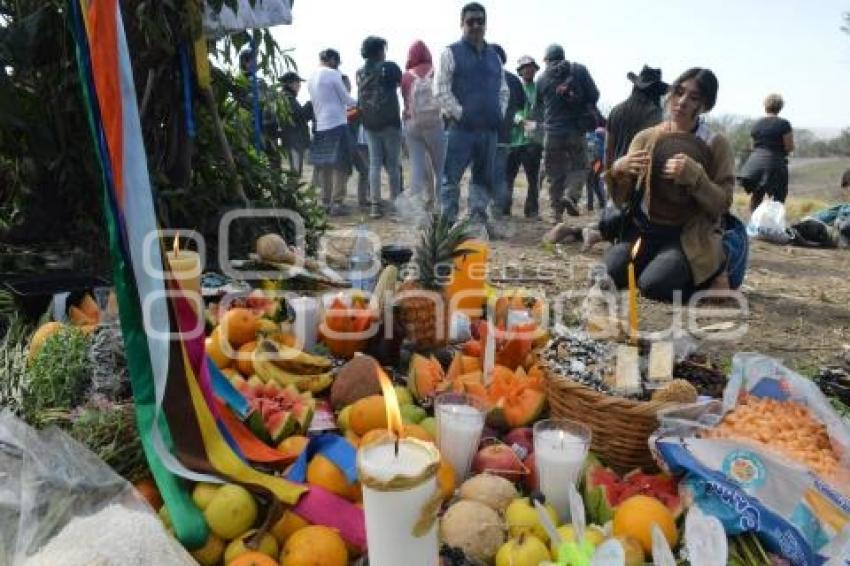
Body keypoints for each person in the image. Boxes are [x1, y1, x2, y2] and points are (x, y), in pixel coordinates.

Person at [603, 68, 736, 302]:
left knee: (654, 286)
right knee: (611, 272)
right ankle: (655, 266)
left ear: (705, 105)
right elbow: (621, 200)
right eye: (679, 92)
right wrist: (618, 170)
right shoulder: (645, 138)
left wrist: (697, 179)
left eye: (693, 97)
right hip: (643, 230)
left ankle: (714, 277)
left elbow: (722, 203)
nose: (682, 102)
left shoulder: (715, 144)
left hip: (687, 237)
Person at [434, 2, 509, 234]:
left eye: (480, 21)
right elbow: (441, 90)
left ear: (486, 24)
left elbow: (503, 90)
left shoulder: (494, 56)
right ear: (462, 24)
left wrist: (497, 114)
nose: (476, 25)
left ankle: (476, 220)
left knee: (482, 178)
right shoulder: (450, 52)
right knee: (451, 178)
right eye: (471, 21)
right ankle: (446, 224)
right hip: (460, 130)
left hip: (489, 129)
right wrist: (462, 114)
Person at [536, 43, 600, 221]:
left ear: (547, 59)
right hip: (575, 131)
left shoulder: (541, 78)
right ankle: (571, 196)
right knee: (580, 166)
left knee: (554, 174)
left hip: (552, 134)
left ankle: (556, 214)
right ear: (563, 56)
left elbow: (538, 107)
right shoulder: (579, 70)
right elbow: (595, 95)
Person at [356, 36, 403, 219]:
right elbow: (399, 83)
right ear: (379, 51)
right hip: (390, 123)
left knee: (374, 165)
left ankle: (375, 205)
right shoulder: (389, 67)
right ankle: (395, 207)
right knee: (393, 166)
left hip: (369, 124)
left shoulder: (360, 72)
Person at [307, 48, 357, 215]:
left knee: (325, 167)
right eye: (337, 62)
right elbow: (346, 99)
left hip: (321, 125)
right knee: (342, 166)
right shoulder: (332, 74)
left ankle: (325, 202)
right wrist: (361, 102)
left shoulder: (311, 77)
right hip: (337, 123)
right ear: (332, 60)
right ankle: (337, 203)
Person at [401, 40, 446, 212]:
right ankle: (441, 204)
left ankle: (417, 205)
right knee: (440, 166)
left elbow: (405, 101)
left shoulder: (406, 76)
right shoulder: (436, 72)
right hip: (435, 123)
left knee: (417, 165)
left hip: (413, 124)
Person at [737, 93, 795, 211]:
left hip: (755, 164)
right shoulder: (783, 124)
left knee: (756, 196)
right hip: (775, 163)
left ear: (765, 106)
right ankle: (773, 226)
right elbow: (789, 147)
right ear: (780, 107)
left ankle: (752, 224)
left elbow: (753, 146)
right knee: (778, 199)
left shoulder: (757, 124)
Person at [605, 65, 669, 168]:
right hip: (644, 177)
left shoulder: (616, 111)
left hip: (619, 173)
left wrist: (608, 175)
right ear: (657, 92)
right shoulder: (659, 117)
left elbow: (608, 150)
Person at [491, 44, 526, 221]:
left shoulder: (480, 77)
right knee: (499, 173)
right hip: (504, 135)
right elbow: (521, 106)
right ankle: (497, 211)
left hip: (482, 134)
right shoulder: (513, 80)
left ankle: (481, 211)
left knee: (481, 173)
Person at [506, 55, 543, 219]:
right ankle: (504, 209)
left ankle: (532, 210)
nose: (528, 70)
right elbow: (509, 109)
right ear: (520, 71)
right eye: (525, 67)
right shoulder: (513, 88)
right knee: (508, 177)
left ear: (535, 70)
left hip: (532, 141)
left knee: (533, 178)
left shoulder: (540, 90)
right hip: (514, 140)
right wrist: (519, 119)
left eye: (531, 67)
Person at [340, 75, 370, 209]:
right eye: (347, 84)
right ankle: (337, 201)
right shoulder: (341, 103)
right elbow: (348, 116)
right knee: (344, 172)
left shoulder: (352, 102)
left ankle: (362, 199)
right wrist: (359, 109)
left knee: (364, 170)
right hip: (345, 143)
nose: (349, 86)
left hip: (354, 143)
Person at [279, 71, 312, 176]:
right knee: (295, 172)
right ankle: (290, 191)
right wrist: (310, 104)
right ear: (289, 83)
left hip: (294, 141)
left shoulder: (287, 97)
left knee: (296, 171)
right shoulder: (287, 98)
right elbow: (300, 116)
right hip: (293, 141)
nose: (299, 85)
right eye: (297, 82)